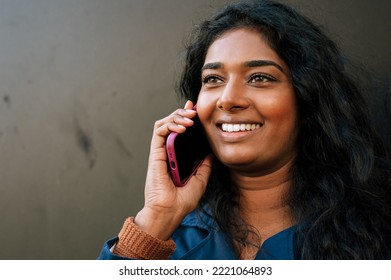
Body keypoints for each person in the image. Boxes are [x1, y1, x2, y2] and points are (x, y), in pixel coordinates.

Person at [98, 0, 391, 260]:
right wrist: (158, 218)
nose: (228, 99)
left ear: (307, 98)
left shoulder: (373, 233)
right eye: (213, 79)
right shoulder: (167, 240)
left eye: (259, 77)